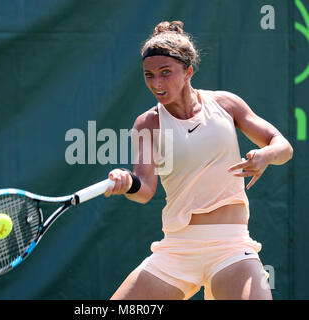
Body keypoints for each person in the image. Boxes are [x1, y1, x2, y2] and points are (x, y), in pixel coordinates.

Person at [104, 21, 293, 300]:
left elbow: (283, 147)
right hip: (177, 249)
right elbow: (144, 189)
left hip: (231, 247)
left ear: (188, 71)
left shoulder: (226, 104)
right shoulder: (147, 124)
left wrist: (265, 155)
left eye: (166, 73)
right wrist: (127, 183)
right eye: (149, 75)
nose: (157, 83)